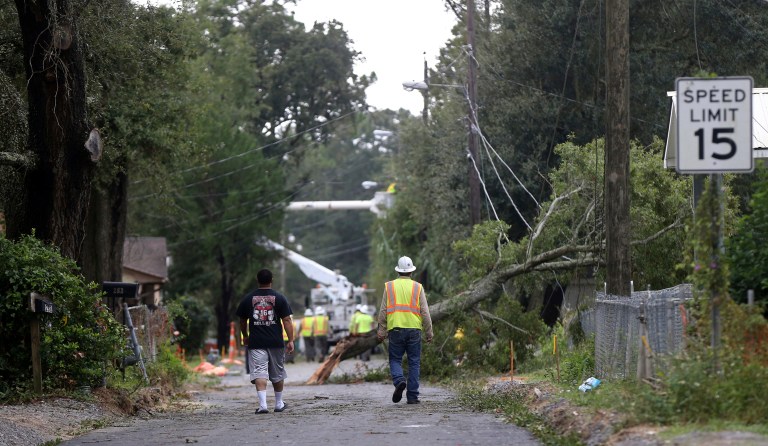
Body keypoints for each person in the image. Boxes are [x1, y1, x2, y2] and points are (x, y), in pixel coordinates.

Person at [236, 269, 294, 414]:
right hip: (275, 341)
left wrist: (245, 335)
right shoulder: (279, 298)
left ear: (258, 280)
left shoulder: (248, 298)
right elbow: (287, 320)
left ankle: (263, 406)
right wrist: (291, 340)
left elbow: (242, 320)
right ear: (271, 280)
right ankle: (279, 404)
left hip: (256, 342)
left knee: (259, 372)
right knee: (277, 372)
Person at [377, 256, 433, 405]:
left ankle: (399, 380)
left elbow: (383, 310)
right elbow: (425, 312)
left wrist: (381, 330)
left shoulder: (389, 286)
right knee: (414, 362)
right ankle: (413, 396)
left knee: (395, 359)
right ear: (411, 272)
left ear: (398, 271)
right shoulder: (417, 287)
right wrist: (429, 332)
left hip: (395, 329)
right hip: (414, 329)